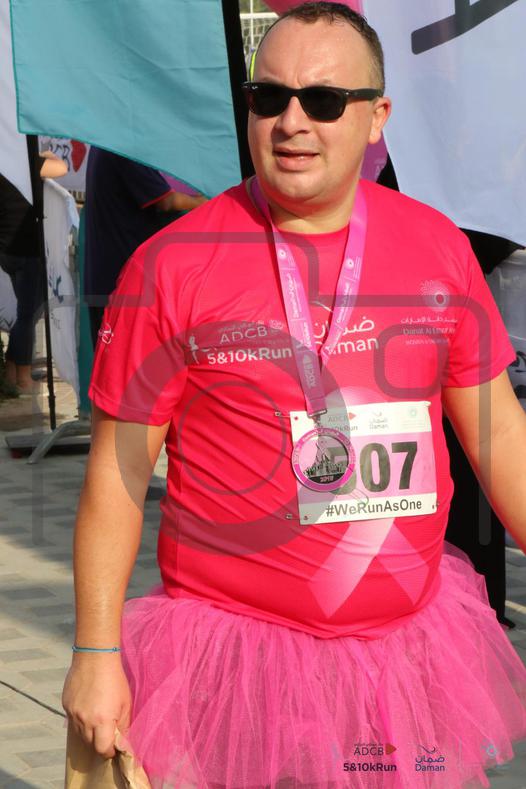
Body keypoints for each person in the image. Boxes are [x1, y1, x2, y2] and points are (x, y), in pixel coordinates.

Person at [63, 3, 526, 787]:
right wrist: (95, 652)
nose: (290, 122)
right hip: (240, 666)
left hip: (408, 655)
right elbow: (116, 474)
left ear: (377, 117)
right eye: (269, 97)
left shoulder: (437, 246)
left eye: (323, 99)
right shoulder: (173, 265)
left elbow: (500, 435)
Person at [84, 147, 207, 347]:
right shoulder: (124, 148)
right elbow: (166, 201)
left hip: (107, 277)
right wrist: (203, 202)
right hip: (122, 283)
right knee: (127, 360)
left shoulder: (104, 144)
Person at [0, 149, 67, 393]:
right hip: (27, 250)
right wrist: (46, 153)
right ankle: (23, 377)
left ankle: (11, 372)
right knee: (28, 314)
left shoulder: (5, 164)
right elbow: (61, 168)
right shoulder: (26, 161)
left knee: (25, 313)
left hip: (7, 249)